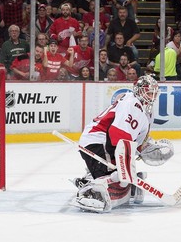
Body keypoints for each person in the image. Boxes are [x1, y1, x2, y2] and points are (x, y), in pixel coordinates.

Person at [73, 75, 173, 212]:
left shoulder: (145, 110)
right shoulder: (132, 103)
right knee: (117, 178)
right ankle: (92, 192)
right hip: (97, 141)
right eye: (149, 92)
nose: (152, 96)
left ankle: (101, 178)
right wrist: (124, 168)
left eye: (154, 93)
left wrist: (147, 148)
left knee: (120, 178)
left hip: (106, 142)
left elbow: (135, 141)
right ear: (139, 90)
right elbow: (117, 135)